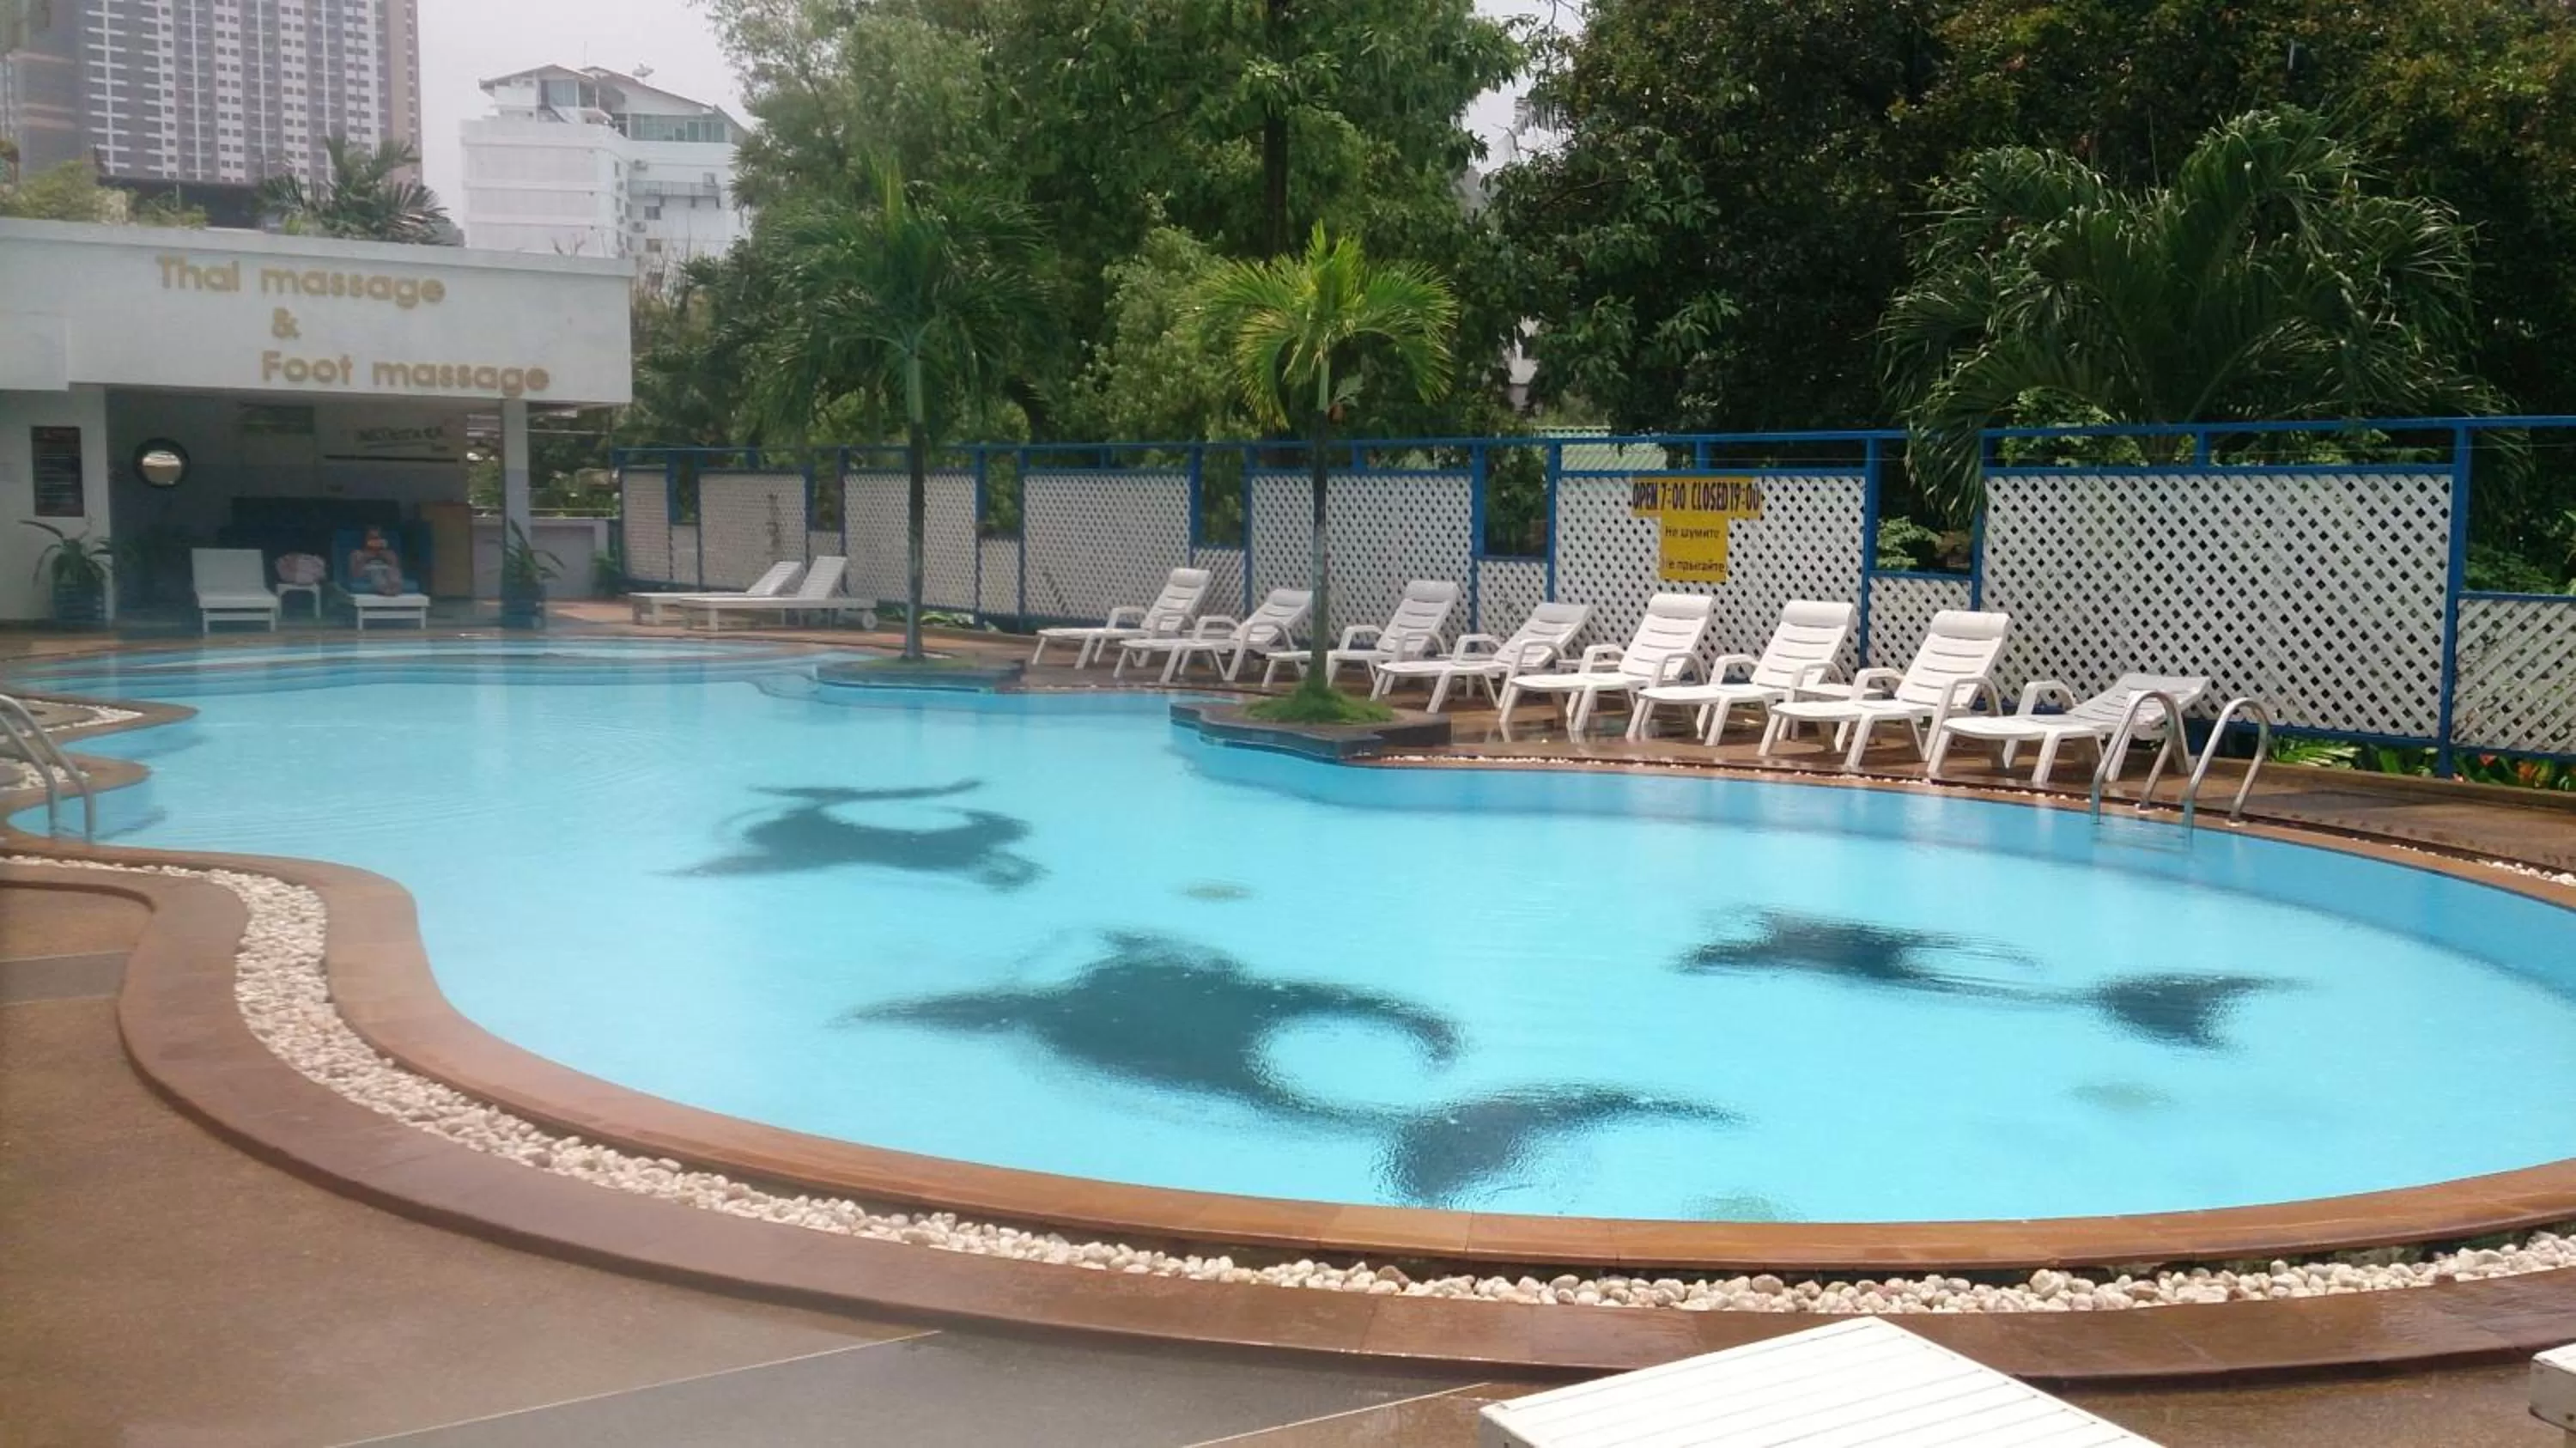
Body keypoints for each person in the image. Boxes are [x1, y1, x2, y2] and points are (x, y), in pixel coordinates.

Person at [349, 526, 406, 597]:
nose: (375, 541)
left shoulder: (389, 553)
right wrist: (365, 558)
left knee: (394, 572)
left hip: (386, 570)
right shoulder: (357, 554)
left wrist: (385, 555)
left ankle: (395, 589)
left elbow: (395, 567)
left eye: (377, 538)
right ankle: (385, 590)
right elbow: (355, 574)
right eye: (372, 538)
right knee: (376, 572)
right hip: (370, 571)